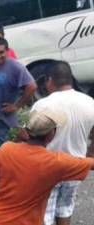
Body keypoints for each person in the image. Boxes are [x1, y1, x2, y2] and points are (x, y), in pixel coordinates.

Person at [0, 109, 94, 225]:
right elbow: (91, 163)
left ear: (27, 130)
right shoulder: (57, 162)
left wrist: (10, 185)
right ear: (51, 134)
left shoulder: (6, 148)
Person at [29, 61, 94, 225]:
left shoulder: (42, 105)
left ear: (49, 80)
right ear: (69, 79)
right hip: (76, 167)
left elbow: (32, 139)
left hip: (48, 170)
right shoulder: (90, 103)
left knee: (45, 214)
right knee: (65, 208)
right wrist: (90, 155)